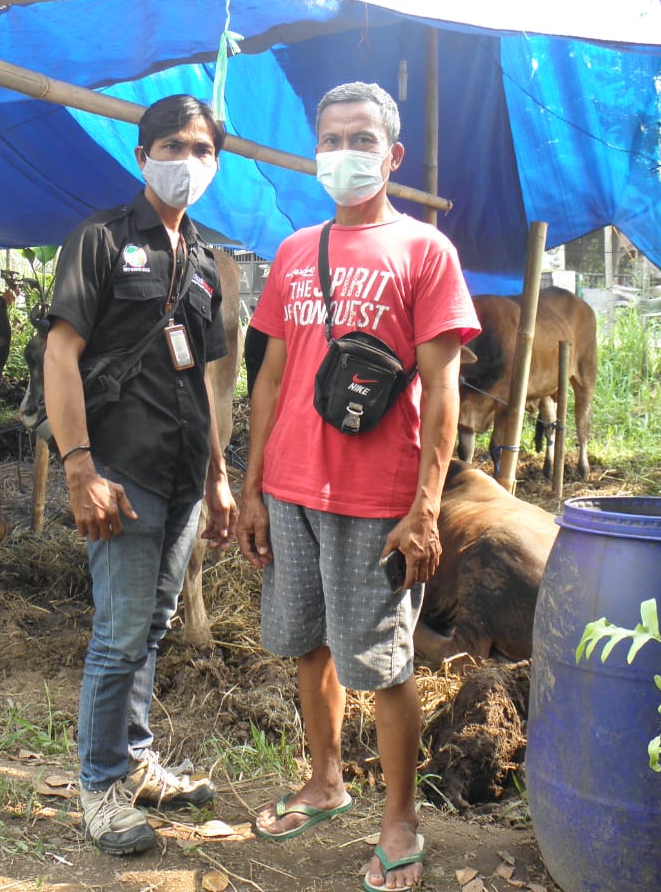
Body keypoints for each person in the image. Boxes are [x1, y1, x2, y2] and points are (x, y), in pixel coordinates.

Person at [237, 81, 479, 892]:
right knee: (309, 646)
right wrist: (253, 484)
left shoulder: (425, 252)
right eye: (332, 137)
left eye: (362, 138)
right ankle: (326, 779)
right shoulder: (294, 252)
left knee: (383, 665)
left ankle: (400, 818)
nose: (345, 151)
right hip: (292, 488)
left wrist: (424, 507)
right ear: (316, 151)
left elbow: (443, 390)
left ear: (391, 154)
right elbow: (269, 375)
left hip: (378, 500)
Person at [42, 94, 237, 856]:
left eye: (202, 149)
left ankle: (136, 760)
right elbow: (62, 355)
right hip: (119, 472)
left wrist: (219, 476)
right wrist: (79, 469)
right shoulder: (96, 241)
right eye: (174, 146)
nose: (188, 161)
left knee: (152, 626)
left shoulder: (205, 261)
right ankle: (100, 788)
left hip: (184, 474)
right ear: (142, 155)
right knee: (120, 634)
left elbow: (201, 383)